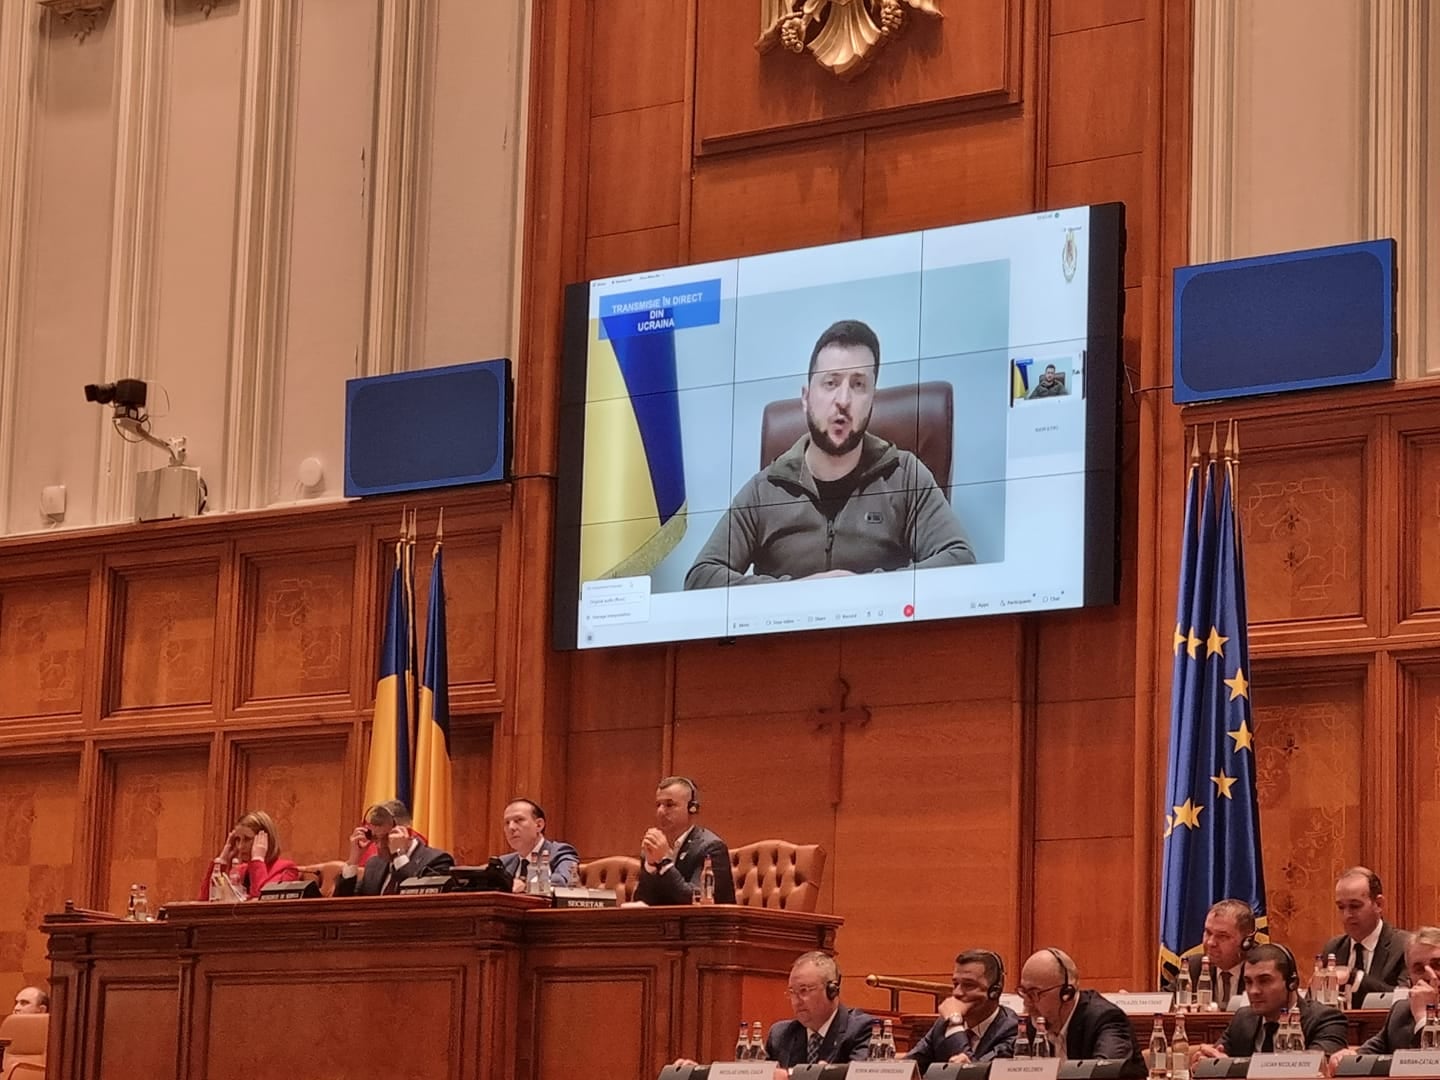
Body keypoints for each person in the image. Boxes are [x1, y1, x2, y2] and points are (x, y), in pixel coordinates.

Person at [684, 319, 975, 589]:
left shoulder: (905, 474)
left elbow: (959, 559)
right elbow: (701, 577)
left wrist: (861, 589)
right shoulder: (765, 489)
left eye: (858, 385)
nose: (843, 400)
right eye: (830, 383)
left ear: (872, 399)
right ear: (806, 397)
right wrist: (799, 592)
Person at [1192, 944, 1347, 1061]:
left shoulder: (1326, 1020)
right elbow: (1218, 1055)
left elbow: (1313, 1065)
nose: (1253, 991)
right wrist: (1207, 1062)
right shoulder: (1243, 1019)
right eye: (1248, 982)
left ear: (1292, 983)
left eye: (1264, 981)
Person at [1328, 926, 1440, 1073]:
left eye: (1437, 965)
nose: (1429, 974)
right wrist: (1346, 1057)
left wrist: (1424, 1018)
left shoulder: (1416, 1011)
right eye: (1418, 969)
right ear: (1410, 978)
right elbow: (1366, 1054)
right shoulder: (1401, 1011)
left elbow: (1434, 1066)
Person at [1017, 948, 1139, 1063]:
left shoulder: (1105, 1020)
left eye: (1035, 994)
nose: (1026, 1003)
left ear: (1067, 993)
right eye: (1023, 992)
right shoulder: (1034, 1025)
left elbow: (1104, 1071)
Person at [907, 950, 1019, 1070]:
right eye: (956, 984)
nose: (957, 993)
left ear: (995, 991)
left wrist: (955, 1024)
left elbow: (974, 1073)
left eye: (969, 985)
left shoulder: (1012, 1030)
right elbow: (910, 1066)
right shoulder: (943, 1024)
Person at [633, 776, 736, 906]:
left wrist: (664, 863)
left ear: (692, 808)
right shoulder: (654, 849)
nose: (660, 811)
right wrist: (650, 867)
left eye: (669, 805)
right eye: (658, 805)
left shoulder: (711, 848)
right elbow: (641, 903)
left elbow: (696, 900)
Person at [1321, 867, 1411, 1000]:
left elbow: (1406, 998)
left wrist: (1355, 978)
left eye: (1355, 906)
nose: (1346, 915)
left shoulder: (1405, 946)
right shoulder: (1334, 948)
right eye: (1341, 907)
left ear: (1378, 904)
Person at [334, 799, 454, 897]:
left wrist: (399, 856)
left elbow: (417, 902)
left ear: (408, 833)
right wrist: (353, 861)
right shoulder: (374, 864)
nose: (379, 845)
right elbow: (345, 905)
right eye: (375, 838)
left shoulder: (437, 861)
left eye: (386, 838)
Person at [196, 810, 299, 901]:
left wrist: (258, 859)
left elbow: (262, 904)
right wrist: (222, 859)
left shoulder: (286, 869)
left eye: (247, 839)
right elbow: (204, 901)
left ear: (264, 839)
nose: (240, 846)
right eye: (238, 839)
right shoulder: (239, 871)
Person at [1170, 899, 1256, 1007]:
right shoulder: (1194, 967)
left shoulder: (1259, 969)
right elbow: (1163, 1004)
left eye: (1222, 936)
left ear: (1247, 942)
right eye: (1208, 932)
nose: (1210, 942)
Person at [497, 798, 579, 892]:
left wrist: (526, 886)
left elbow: (562, 883)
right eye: (507, 822)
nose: (511, 827)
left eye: (519, 820)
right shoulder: (503, 862)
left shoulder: (561, 853)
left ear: (539, 825)